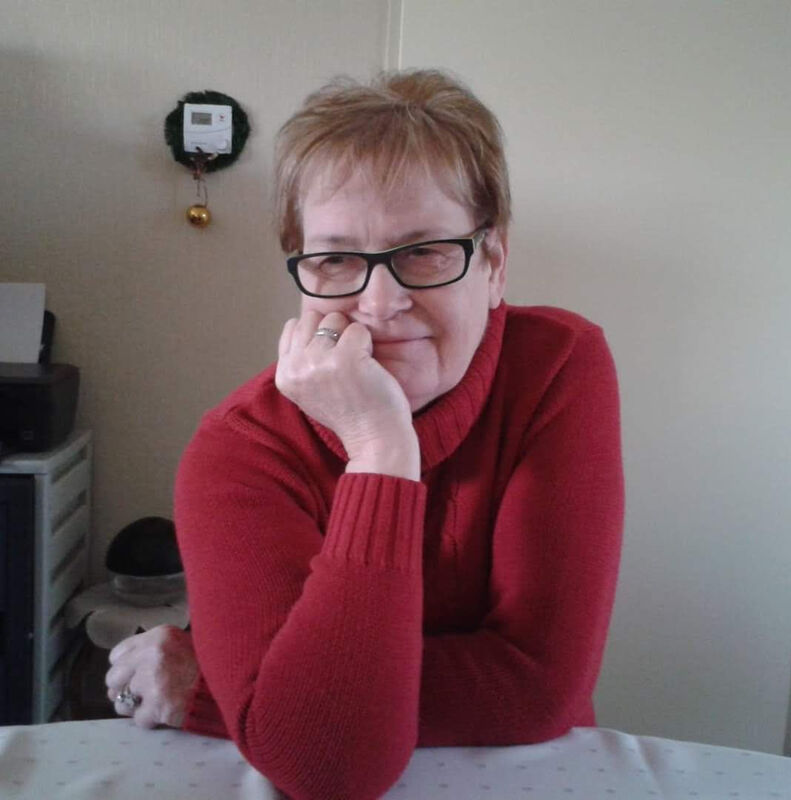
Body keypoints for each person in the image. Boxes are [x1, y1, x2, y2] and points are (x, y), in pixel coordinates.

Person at [106, 69, 624, 800]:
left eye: (425, 251)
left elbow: (538, 685)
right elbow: (331, 768)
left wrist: (237, 697)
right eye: (336, 258)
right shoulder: (240, 448)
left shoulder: (557, 367)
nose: (381, 303)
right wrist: (381, 454)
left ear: (494, 265)